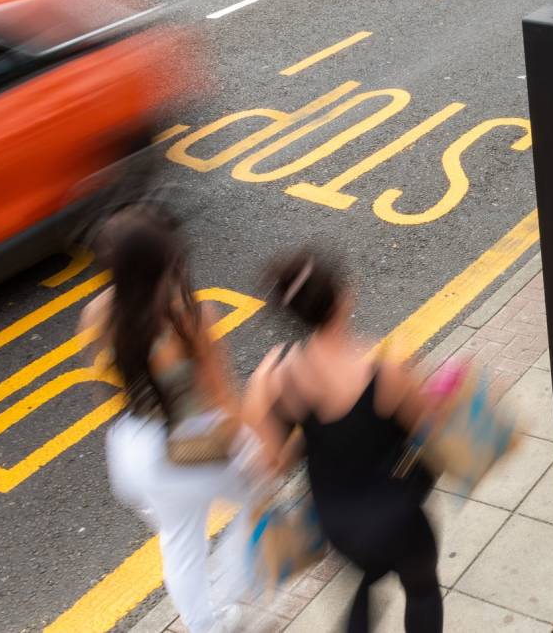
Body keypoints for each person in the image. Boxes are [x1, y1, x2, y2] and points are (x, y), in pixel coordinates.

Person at [243, 248, 442, 633]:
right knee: (422, 591)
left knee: (369, 578)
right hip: (398, 513)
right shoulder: (386, 368)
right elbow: (429, 427)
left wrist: (310, 436)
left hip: (337, 523)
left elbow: (270, 465)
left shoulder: (272, 378)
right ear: (344, 297)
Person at [84, 206, 256, 633]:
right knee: (259, 496)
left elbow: (109, 386)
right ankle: (235, 585)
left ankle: (205, 626)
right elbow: (224, 402)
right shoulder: (187, 316)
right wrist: (254, 451)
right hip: (187, 445)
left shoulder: (97, 314)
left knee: (180, 543)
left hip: (132, 449)